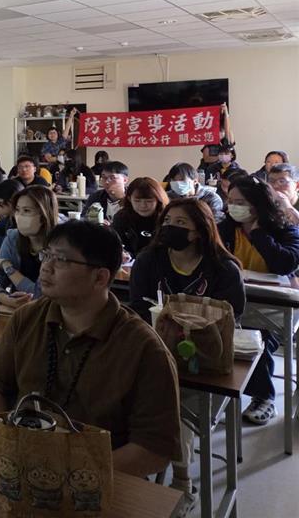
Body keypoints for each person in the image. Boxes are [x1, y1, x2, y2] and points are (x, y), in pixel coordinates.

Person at [0, 221, 181, 478]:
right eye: (46, 255)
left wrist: (74, 474)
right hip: (20, 471)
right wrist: (3, 442)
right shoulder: (27, 318)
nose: (46, 267)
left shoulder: (144, 348)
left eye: (61, 260)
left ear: (100, 277)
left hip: (97, 484)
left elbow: (154, 449)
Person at [128, 198, 244, 510]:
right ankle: (135, 468)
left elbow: (231, 317)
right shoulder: (149, 260)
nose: (170, 228)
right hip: (154, 349)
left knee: (175, 400)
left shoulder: (222, 269)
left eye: (181, 223)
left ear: (199, 231)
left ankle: (182, 480)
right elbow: (137, 308)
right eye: (167, 221)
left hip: (203, 361)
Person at [219, 176, 299, 425]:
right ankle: (219, 394)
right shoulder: (225, 229)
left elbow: (285, 263)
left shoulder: (285, 229)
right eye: (231, 201)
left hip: (276, 307)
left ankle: (264, 398)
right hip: (237, 302)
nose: (233, 207)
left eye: (240, 202)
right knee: (222, 332)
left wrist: (258, 234)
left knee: (255, 338)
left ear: (258, 204)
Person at [0, 186, 59, 308]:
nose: (19, 216)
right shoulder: (13, 238)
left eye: (27, 211)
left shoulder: (59, 245)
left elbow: (40, 295)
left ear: (44, 215)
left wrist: (8, 267)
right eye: (17, 210)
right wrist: (8, 300)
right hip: (18, 311)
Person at [112, 178, 169, 259]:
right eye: (137, 201)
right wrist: (124, 254)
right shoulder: (121, 217)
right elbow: (116, 243)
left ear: (158, 200)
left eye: (149, 201)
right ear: (129, 199)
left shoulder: (167, 219)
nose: (143, 205)